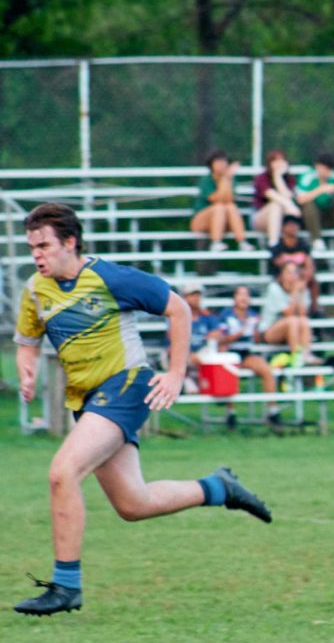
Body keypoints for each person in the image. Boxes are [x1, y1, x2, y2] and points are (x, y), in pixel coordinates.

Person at [12, 203, 271, 616]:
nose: (37, 255)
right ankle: (219, 487)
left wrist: (174, 373)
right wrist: (26, 373)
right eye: (32, 248)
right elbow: (27, 341)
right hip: (88, 400)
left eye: (44, 245)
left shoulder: (108, 277)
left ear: (70, 242)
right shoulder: (35, 290)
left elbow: (178, 308)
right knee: (133, 504)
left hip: (127, 385)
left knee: (63, 472)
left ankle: (66, 585)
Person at [215, 285, 283, 429]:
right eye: (240, 294)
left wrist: (257, 331)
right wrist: (242, 331)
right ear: (234, 298)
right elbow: (222, 340)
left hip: (245, 353)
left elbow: (256, 339)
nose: (243, 298)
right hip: (229, 353)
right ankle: (231, 412)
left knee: (266, 370)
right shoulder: (226, 315)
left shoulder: (253, 315)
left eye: (246, 294)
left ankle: (273, 411)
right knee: (229, 373)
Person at [259, 263, 319, 366]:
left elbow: (303, 313)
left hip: (291, 330)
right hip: (269, 332)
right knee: (292, 320)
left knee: (303, 321)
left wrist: (303, 292)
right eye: (288, 272)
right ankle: (297, 357)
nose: (292, 275)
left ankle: (306, 355)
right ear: (282, 275)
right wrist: (295, 292)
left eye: (294, 272)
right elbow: (288, 313)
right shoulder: (274, 288)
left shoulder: (301, 288)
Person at [189, 149, 248, 252]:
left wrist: (227, 179)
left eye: (223, 161)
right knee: (219, 207)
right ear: (211, 164)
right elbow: (217, 199)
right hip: (202, 222)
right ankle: (216, 242)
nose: (221, 165)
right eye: (218, 161)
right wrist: (226, 178)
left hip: (223, 221)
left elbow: (229, 200)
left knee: (231, 207)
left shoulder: (231, 180)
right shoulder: (206, 180)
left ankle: (242, 242)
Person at [270, 214, 320, 314]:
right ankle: (288, 310)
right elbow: (277, 265)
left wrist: (301, 274)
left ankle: (314, 309)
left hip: (300, 276)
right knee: (290, 278)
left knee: (313, 280)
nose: (293, 227)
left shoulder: (303, 245)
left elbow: (310, 266)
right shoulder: (278, 247)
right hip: (283, 278)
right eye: (290, 225)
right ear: (283, 228)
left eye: (295, 225)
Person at [252, 149, 302, 247]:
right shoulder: (261, 178)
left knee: (282, 208)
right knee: (275, 205)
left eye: (281, 160)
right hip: (261, 218)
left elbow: (287, 196)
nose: (279, 164)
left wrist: (278, 177)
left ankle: (293, 248)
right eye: (275, 161)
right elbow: (271, 195)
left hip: (284, 218)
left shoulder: (290, 179)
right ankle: (274, 244)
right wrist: (290, 206)